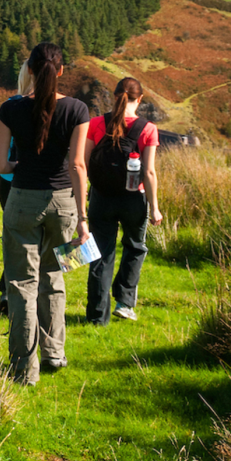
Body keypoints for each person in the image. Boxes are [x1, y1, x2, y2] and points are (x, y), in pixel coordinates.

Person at [0, 43, 90, 386]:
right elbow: (77, 165)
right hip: (63, 204)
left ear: (29, 69)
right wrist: (83, 218)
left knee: (21, 284)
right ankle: (54, 352)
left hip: (22, 202)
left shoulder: (10, 109)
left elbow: (1, 163)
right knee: (54, 276)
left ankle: (24, 369)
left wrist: (18, 166)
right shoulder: (77, 109)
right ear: (61, 70)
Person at [84, 77, 163, 325]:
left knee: (100, 254)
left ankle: (97, 316)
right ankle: (125, 303)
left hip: (101, 198)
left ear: (115, 95)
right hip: (134, 199)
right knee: (135, 247)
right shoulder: (148, 129)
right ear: (140, 100)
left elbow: (83, 164)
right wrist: (155, 207)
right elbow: (149, 172)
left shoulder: (96, 123)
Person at [0, 60, 31, 315]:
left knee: (16, 239)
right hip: (45, 185)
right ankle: (31, 294)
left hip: (9, 183)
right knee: (43, 241)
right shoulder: (66, 106)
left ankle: (8, 292)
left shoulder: (10, 106)